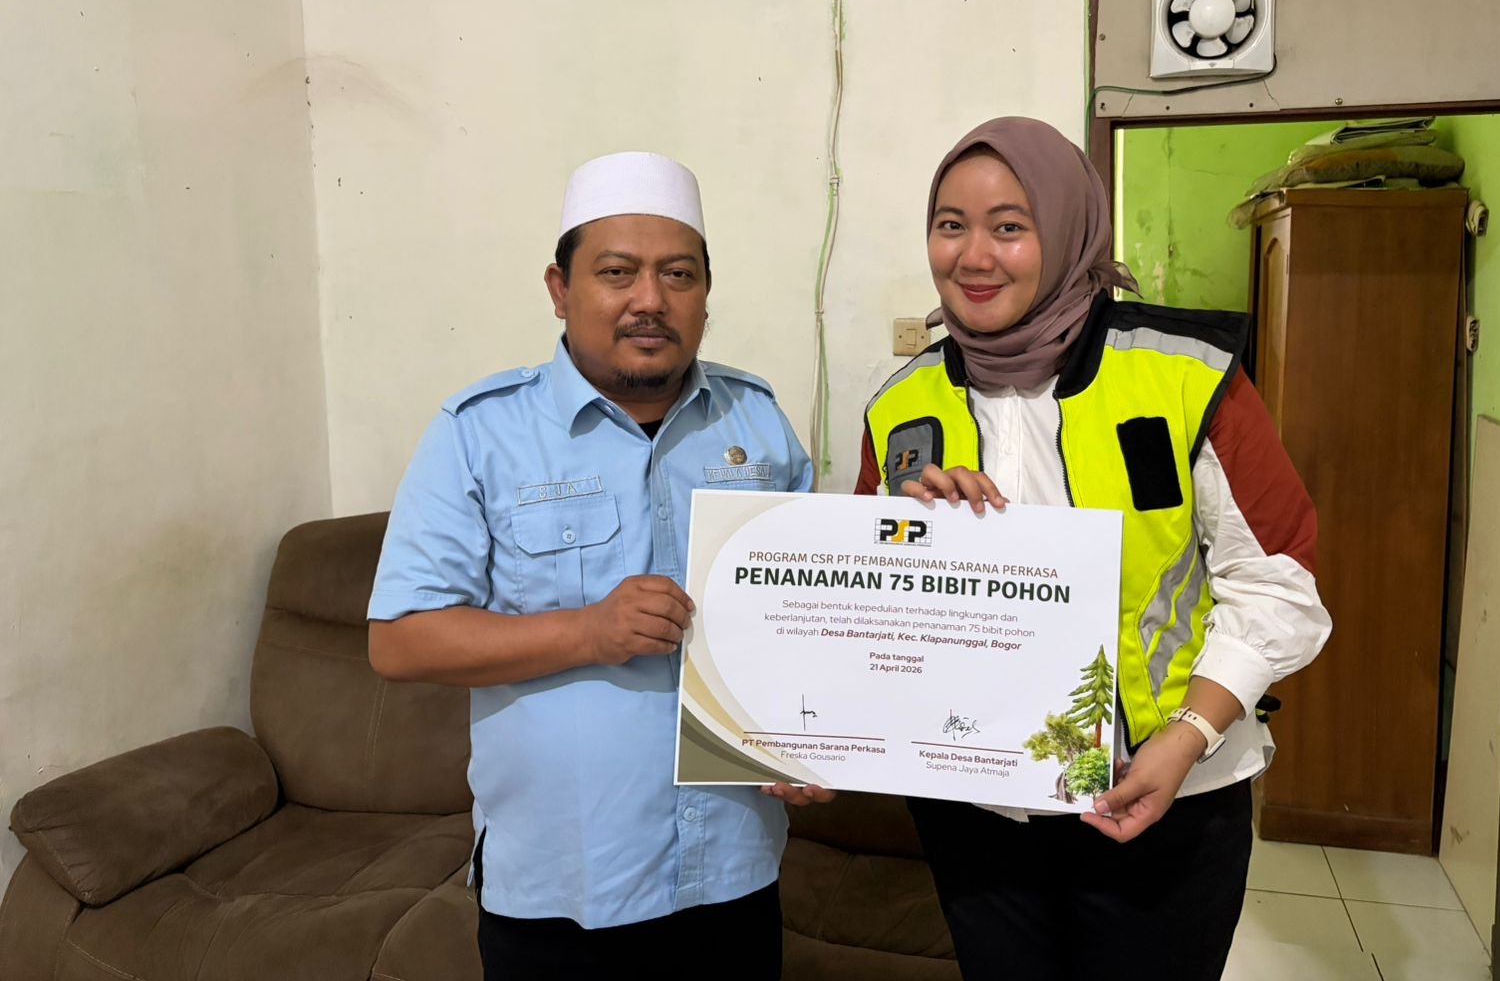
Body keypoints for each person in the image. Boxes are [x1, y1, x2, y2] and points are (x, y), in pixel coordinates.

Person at [853, 117, 1331, 981]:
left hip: (1165, 796)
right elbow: (874, 596)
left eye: (1009, 226)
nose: (973, 256)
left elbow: (1279, 582)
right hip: (977, 810)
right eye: (951, 225)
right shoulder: (901, 404)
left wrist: (1188, 735)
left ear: (1070, 229)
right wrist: (913, 530)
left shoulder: (1183, 374)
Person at [368, 151, 829, 980]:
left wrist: (816, 746)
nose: (650, 299)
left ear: (706, 293)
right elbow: (399, 640)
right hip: (562, 886)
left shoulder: (757, 422)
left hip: (732, 872)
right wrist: (588, 631)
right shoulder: (480, 432)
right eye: (617, 273)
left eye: (678, 275)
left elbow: (811, 627)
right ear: (560, 288)